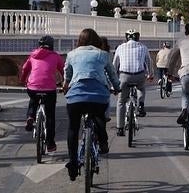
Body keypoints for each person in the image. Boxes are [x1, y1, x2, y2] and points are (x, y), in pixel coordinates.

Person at [62, 28, 120, 181]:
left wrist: (65, 85)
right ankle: (103, 142)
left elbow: (67, 74)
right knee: (99, 115)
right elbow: (112, 74)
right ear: (96, 40)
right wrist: (117, 87)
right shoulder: (103, 54)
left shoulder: (72, 54)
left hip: (75, 98)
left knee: (73, 128)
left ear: (79, 40)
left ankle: (73, 164)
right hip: (98, 96)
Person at [20, 35, 64, 153]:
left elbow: (25, 68)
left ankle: (31, 116)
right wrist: (64, 82)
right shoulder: (55, 56)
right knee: (50, 116)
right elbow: (63, 70)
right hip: (49, 89)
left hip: (33, 86)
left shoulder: (33, 55)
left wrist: (24, 80)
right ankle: (50, 144)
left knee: (33, 99)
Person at [114, 29, 153, 136]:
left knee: (121, 101)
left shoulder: (120, 47)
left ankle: (120, 128)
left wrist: (114, 79)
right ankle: (141, 105)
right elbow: (149, 62)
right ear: (137, 37)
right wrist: (150, 75)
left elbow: (115, 64)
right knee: (141, 88)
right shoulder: (143, 47)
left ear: (126, 37)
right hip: (139, 75)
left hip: (124, 76)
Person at [100, 37, 114, 122]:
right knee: (107, 98)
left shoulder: (95, 53)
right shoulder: (108, 54)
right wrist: (114, 85)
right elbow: (111, 70)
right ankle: (106, 115)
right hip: (105, 80)